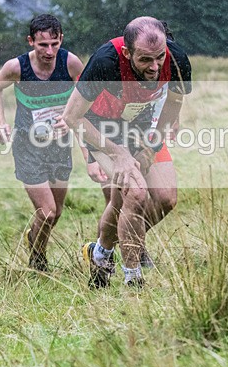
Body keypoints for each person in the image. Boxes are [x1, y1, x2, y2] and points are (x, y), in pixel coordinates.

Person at [62, 16, 192, 288]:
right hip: (102, 132)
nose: (154, 67)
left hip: (144, 129)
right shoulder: (105, 62)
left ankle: (100, 252)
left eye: (159, 57)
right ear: (127, 52)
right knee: (135, 194)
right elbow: (73, 118)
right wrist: (118, 153)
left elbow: (171, 111)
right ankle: (133, 279)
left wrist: (151, 147)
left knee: (166, 198)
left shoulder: (177, 60)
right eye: (145, 60)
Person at [0, 14, 84, 272]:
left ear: (61, 39)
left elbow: (87, 93)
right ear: (31, 41)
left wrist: (72, 119)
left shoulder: (71, 63)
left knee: (58, 212)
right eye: (43, 45)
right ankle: (38, 257)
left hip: (60, 145)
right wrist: (1, 123)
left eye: (54, 43)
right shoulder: (17, 67)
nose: (49, 51)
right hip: (27, 146)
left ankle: (36, 243)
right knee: (47, 211)